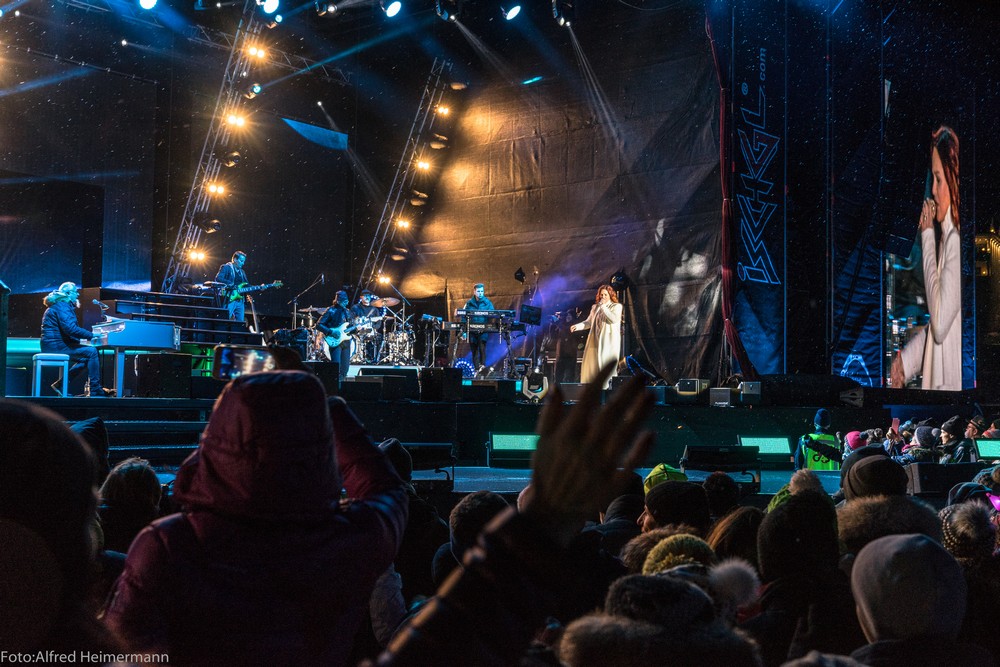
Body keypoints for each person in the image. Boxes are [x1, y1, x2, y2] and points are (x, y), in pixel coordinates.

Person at [105, 370, 408, 665]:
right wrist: (329, 409)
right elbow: (387, 489)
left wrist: (210, 449)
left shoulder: (168, 546)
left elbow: (121, 649)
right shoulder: (353, 539)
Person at [891, 126, 962, 391]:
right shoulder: (948, 239)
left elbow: (940, 324)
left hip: (945, 392)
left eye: (938, 179)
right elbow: (939, 327)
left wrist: (928, 236)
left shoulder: (953, 242)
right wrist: (907, 362)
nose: (933, 190)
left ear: (952, 180)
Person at [39, 281, 112, 397]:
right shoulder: (62, 305)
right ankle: (95, 389)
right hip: (55, 346)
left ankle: (61, 385)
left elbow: (67, 330)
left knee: (86, 357)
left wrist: (83, 339)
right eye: (75, 292)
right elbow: (70, 329)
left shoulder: (59, 305)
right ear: (68, 293)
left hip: (54, 344)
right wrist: (92, 335)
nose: (78, 294)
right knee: (92, 352)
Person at [575, 284, 623, 389]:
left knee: (605, 365)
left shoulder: (616, 306)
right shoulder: (595, 307)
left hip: (608, 342)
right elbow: (589, 322)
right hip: (595, 340)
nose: (603, 297)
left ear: (610, 295)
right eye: (601, 295)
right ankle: (590, 389)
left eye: (605, 295)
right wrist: (577, 326)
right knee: (592, 365)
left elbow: (613, 319)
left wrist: (603, 307)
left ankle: (606, 389)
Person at [316, 290, 354, 380]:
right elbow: (319, 325)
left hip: (346, 342)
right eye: (344, 301)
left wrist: (356, 329)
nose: (346, 303)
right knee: (336, 368)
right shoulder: (331, 310)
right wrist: (331, 332)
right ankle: (335, 385)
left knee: (345, 369)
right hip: (335, 342)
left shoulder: (347, 312)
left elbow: (351, 327)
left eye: (346, 301)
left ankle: (341, 385)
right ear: (338, 301)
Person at [463, 283, 495, 372]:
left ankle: (483, 366)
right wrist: (464, 331)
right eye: (478, 291)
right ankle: (476, 369)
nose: (480, 293)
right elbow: (463, 316)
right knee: (474, 351)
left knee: (482, 348)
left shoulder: (487, 302)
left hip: (483, 330)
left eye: (482, 291)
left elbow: (493, 313)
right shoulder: (469, 303)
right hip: (472, 331)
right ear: (474, 292)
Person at [215, 251, 249, 322]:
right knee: (224, 320)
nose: (243, 263)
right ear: (235, 259)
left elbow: (247, 285)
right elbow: (218, 278)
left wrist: (260, 287)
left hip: (240, 300)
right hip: (229, 298)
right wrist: (230, 284)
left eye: (244, 261)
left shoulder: (242, 272)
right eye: (241, 261)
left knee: (240, 323)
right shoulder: (226, 267)